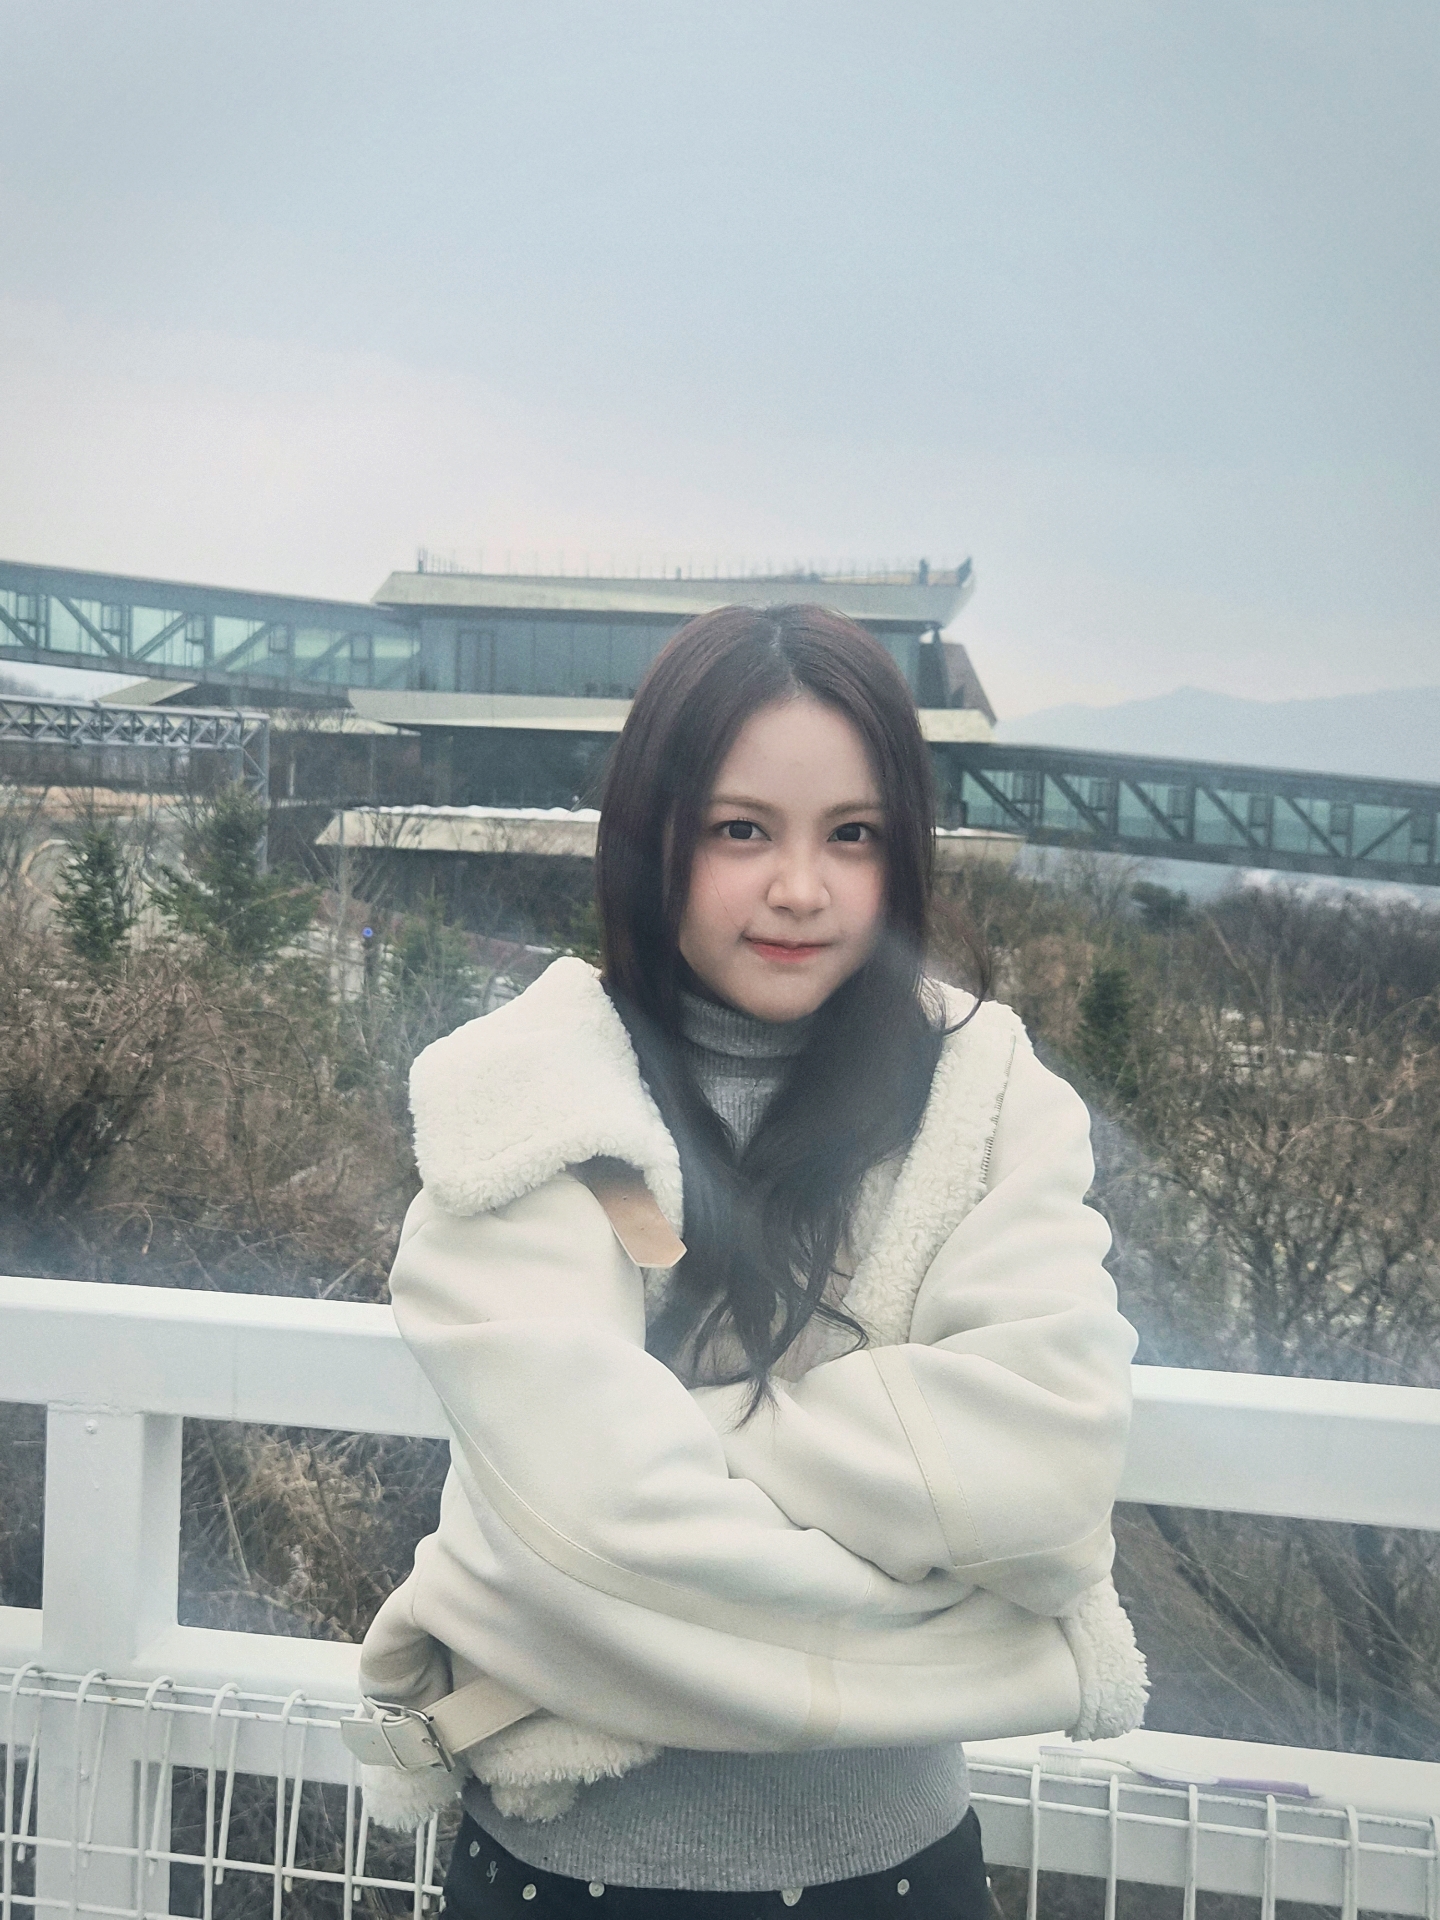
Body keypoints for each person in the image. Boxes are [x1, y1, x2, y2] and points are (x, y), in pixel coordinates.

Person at [355, 605, 1147, 1917]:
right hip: (565, 1878)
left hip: (896, 1879)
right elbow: (593, 1524)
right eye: (741, 830)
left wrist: (664, 1461)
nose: (801, 887)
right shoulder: (525, 1097)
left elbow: (1048, 1476)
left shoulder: (988, 1096)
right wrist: (971, 1622)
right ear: (651, 835)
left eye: (853, 834)